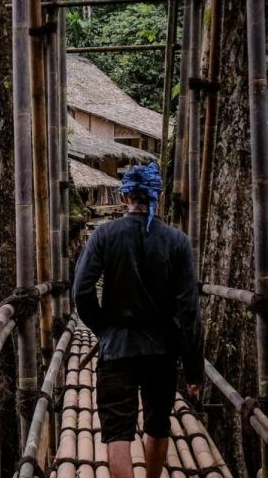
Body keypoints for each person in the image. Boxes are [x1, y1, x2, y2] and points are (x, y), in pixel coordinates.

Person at [73, 162, 204, 478]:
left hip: (116, 348)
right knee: (158, 424)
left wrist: (103, 329)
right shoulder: (177, 241)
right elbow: (189, 311)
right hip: (162, 350)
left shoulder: (104, 235)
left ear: (124, 197)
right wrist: (194, 369)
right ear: (158, 197)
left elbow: (81, 291)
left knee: (118, 431)